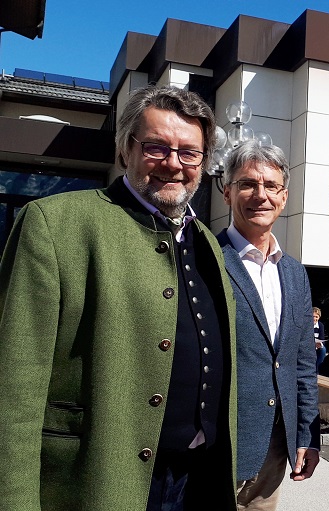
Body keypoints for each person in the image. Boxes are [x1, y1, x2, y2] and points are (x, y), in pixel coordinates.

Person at [0, 85, 238, 510]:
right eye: (156, 147)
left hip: (197, 478)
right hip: (98, 480)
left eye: (189, 153)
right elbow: (14, 383)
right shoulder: (55, 223)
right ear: (125, 149)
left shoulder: (206, 241)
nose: (173, 164)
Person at [216, 140, 320, 510]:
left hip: (274, 452)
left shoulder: (294, 273)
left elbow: (302, 362)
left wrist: (307, 434)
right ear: (227, 193)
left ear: (284, 197)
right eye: (247, 184)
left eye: (271, 186)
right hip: (218, 448)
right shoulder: (206, 259)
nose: (261, 195)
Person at [313, 306, 327, 372]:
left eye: (316, 317)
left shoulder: (320, 325)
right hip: (308, 345)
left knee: (323, 349)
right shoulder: (306, 325)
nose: (314, 318)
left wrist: (320, 344)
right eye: (313, 316)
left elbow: (322, 338)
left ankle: (317, 367)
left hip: (317, 345)